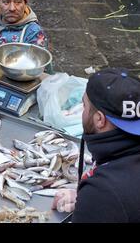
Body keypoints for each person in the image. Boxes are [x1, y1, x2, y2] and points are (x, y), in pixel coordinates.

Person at [52, 68, 140, 222]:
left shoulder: (103, 192)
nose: (83, 111)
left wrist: (92, 203)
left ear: (100, 119)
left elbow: (114, 196)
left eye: (84, 106)